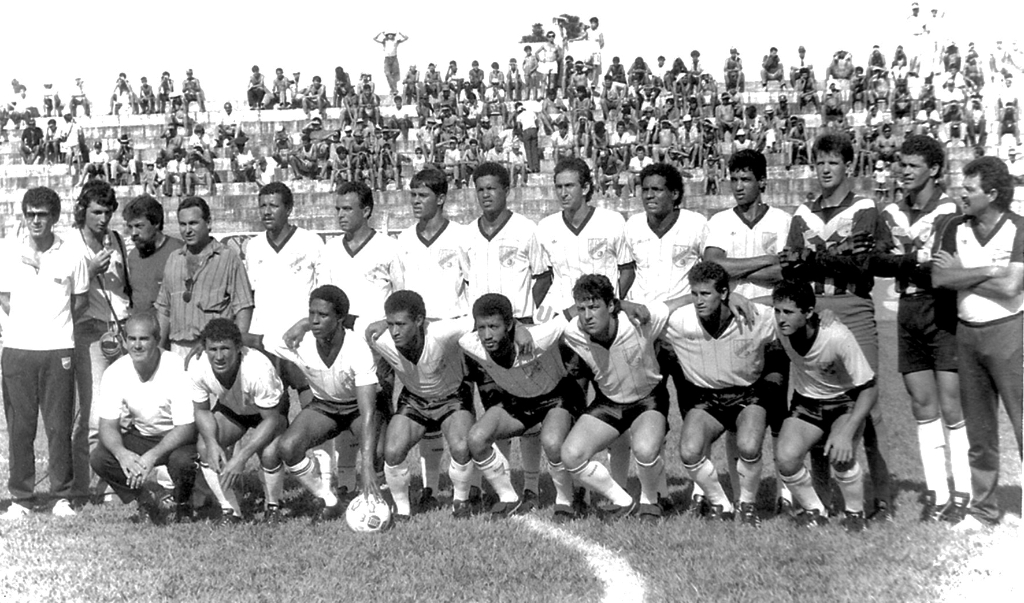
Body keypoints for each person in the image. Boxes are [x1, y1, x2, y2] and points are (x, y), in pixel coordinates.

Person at [780, 132, 894, 521]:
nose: (825, 169)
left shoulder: (865, 206)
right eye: (820, 162)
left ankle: (881, 499)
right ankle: (823, 498)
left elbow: (863, 267)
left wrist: (811, 257)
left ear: (848, 165)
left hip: (853, 306)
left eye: (833, 162)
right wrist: (830, 256)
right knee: (814, 398)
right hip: (813, 307)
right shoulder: (803, 211)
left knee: (867, 401)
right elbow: (790, 267)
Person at [870, 135, 969, 522]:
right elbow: (876, 262)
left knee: (951, 404)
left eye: (912, 166)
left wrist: (902, 260)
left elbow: (941, 268)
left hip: (942, 310)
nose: (903, 171)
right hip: (908, 309)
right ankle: (938, 493)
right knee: (921, 405)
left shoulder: (950, 210)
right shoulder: (892, 211)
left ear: (934, 170)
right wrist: (914, 258)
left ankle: (962, 491)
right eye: (901, 164)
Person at [932, 156, 1023, 531]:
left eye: (969, 189)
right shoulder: (956, 226)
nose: (961, 195)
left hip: (1010, 333)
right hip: (967, 334)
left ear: (993, 193)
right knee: (980, 431)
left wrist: (963, 275)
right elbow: (939, 277)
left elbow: (1012, 287)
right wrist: (988, 269)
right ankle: (983, 509)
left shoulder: (1019, 228)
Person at [703, 149, 794, 514]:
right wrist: (764, 263)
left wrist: (735, 272)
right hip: (733, 329)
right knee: (734, 411)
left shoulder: (784, 221)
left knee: (778, 409)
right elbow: (712, 265)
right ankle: (743, 493)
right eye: (734, 179)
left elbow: (787, 271)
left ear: (762, 183)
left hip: (775, 324)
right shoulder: (721, 220)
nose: (738, 186)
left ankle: (787, 492)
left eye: (746, 180)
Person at [664, 262, 783, 525]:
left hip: (747, 394)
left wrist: (827, 313)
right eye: (694, 294)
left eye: (705, 294)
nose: (698, 301)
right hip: (706, 398)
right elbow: (648, 311)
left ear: (724, 293)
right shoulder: (680, 320)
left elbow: (790, 310)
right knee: (689, 451)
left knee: (749, 446)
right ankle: (720, 502)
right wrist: (694, 296)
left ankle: (747, 504)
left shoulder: (755, 316)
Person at [253, 286, 382, 523]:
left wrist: (367, 465)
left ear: (340, 319)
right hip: (325, 407)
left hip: (356, 408)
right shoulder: (298, 342)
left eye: (322, 315)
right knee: (288, 447)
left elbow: (368, 412)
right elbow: (259, 341)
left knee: (378, 452)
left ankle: (380, 502)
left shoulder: (357, 348)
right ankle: (330, 500)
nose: (314, 321)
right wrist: (212, 339)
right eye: (311, 314)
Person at [463, 163, 551, 508]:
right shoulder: (467, 234)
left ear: (506, 189)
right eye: (480, 189)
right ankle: (497, 484)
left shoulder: (526, 229)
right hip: (482, 337)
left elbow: (542, 276)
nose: (486, 195)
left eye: (492, 188)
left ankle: (531, 486)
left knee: (525, 412)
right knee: (492, 409)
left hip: (516, 336)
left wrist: (522, 320)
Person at [0, 187, 89, 521]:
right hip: (18, 349)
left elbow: (79, 302)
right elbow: (4, 298)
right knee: (20, 426)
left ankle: (61, 496)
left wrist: (53, 325)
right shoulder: (7, 252)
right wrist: (28, 324)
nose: (36, 220)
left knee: (58, 425)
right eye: (31, 214)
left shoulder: (72, 255)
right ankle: (21, 497)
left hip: (58, 349)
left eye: (43, 215)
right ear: (24, 216)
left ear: (55, 218)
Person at [557, 274, 673, 520]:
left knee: (644, 449)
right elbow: (545, 329)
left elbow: (676, 304)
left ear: (611, 306)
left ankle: (650, 500)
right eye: (581, 308)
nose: (587, 315)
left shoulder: (639, 320)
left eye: (594, 307)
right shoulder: (572, 331)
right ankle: (623, 500)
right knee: (571, 455)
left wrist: (734, 297)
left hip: (647, 399)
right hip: (609, 402)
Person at [462, 293, 582, 520]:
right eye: (482, 327)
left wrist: (622, 304)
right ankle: (508, 497)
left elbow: (572, 312)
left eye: (494, 327)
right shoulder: (469, 342)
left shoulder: (540, 335)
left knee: (552, 442)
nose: (487, 335)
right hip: (517, 400)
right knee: (477, 438)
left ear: (508, 325)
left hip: (555, 396)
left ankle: (566, 501)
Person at [772, 280, 878, 533]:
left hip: (844, 403)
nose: (780, 318)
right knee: (785, 459)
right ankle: (814, 510)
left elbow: (870, 387)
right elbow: (754, 307)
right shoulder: (778, 325)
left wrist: (847, 430)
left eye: (788, 312)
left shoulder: (837, 335)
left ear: (808, 312)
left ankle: (855, 513)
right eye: (777, 311)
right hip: (806, 403)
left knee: (840, 456)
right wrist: (734, 299)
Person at [370, 291, 477, 520]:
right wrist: (302, 325)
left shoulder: (441, 332)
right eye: (390, 324)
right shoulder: (381, 338)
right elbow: (347, 321)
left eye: (401, 324)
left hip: (452, 396)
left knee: (461, 447)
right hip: (415, 399)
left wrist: (520, 330)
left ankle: (460, 501)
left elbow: (479, 318)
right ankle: (402, 510)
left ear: (419, 321)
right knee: (392, 451)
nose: (395, 331)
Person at [89, 312, 198, 524]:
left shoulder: (177, 367)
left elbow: (185, 427)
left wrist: (151, 457)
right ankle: (145, 499)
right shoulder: (115, 371)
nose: (137, 345)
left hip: (177, 436)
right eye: (132, 339)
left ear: (157, 340)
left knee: (182, 461)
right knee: (101, 458)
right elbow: (107, 426)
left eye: (144, 339)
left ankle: (183, 504)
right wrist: (123, 454)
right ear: (124, 341)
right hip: (144, 434)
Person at [66, 181, 131, 503]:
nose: (103, 219)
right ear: (83, 211)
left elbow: (126, 289)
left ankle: (113, 484)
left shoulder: (117, 240)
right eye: (96, 212)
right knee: (92, 416)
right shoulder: (70, 245)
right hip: (89, 332)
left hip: (119, 329)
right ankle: (85, 486)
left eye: (107, 212)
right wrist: (89, 272)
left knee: (123, 410)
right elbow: (62, 292)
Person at [189, 319, 287, 525]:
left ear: (239, 347)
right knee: (205, 447)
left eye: (225, 348)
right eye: (213, 349)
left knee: (270, 453)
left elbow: (271, 419)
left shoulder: (258, 368)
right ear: (204, 348)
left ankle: (273, 506)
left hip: (267, 412)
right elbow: (201, 411)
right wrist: (213, 443)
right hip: (233, 408)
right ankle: (231, 511)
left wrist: (240, 458)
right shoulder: (197, 365)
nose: (219, 356)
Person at [154, 197, 254, 356]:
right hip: (178, 348)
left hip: (214, 350)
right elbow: (164, 309)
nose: (187, 230)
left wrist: (234, 347)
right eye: (182, 224)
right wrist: (158, 348)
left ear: (208, 223)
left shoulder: (228, 258)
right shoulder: (174, 259)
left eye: (193, 223)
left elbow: (243, 307)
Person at [536, 158, 630, 314]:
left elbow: (627, 270)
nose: (563, 193)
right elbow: (546, 277)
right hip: (562, 314)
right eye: (559, 187)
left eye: (569, 186)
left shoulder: (612, 221)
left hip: (601, 314)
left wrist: (608, 303)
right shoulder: (546, 227)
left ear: (585, 188)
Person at [396, 168, 470, 319]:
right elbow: (399, 287)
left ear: (440, 199)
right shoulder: (405, 238)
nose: (415, 201)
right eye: (413, 195)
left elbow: (473, 284)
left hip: (452, 324)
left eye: (423, 195)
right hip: (417, 327)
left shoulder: (461, 235)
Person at [123, 195, 183, 314]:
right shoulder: (133, 256)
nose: (133, 233)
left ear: (156, 223)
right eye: (130, 227)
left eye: (139, 226)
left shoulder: (179, 253)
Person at [374, 32, 409, 96]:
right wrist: (380, 33)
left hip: (394, 58)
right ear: (387, 36)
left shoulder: (396, 41)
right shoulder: (385, 42)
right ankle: (393, 89)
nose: (390, 36)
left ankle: (393, 90)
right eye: (389, 34)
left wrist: (401, 34)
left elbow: (406, 38)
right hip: (387, 59)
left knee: (394, 75)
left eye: (391, 34)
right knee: (387, 74)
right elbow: (374, 39)